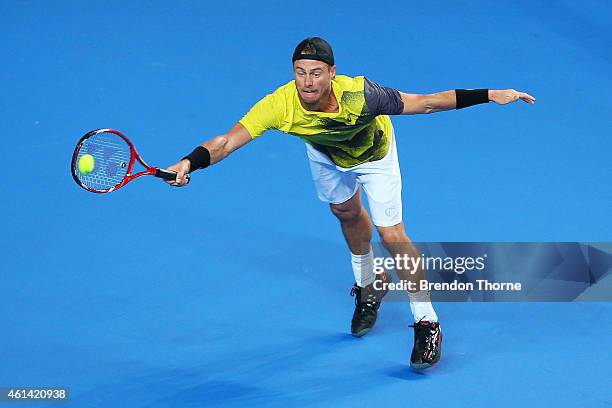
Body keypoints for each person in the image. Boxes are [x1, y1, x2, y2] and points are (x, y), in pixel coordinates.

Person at [166, 37, 535, 370]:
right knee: (344, 212)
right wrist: (189, 162)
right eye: (300, 73)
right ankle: (370, 282)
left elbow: (424, 104)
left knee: (391, 235)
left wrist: (488, 94)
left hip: (376, 157)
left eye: (315, 73)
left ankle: (428, 321)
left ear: (331, 73)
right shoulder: (279, 105)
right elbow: (228, 141)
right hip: (327, 157)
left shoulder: (363, 95)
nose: (307, 82)